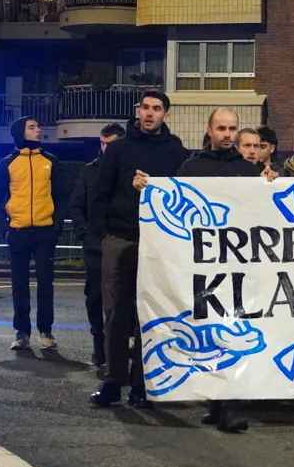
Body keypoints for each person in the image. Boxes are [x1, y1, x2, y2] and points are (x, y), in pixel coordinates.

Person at [175, 108, 277, 433]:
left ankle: (232, 406)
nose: (227, 134)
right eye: (221, 128)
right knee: (209, 333)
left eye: (232, 128)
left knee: (234, 331)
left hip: (236, 267)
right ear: (210, 130)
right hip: (203, 266)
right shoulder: (191, 168)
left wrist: (269, 187)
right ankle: (217, 402)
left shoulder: (247, 170)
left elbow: (261, 212)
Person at [87, 91, 189, 409]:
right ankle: (113, 381)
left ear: (166, 115)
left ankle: (142, 385)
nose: (149, 113)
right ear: (138, 111)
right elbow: (98, 193)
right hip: (121, 239)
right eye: (145, 107)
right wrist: (102, 237)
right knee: (116, 314)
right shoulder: (119, 149)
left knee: (151, 315)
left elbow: (186, 193)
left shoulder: (176, 151)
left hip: (158, 244)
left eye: (156, 108)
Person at [0, 116, 69, 351]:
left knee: (45, 282)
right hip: (18, 231)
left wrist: (56, 225)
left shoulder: (50, 161)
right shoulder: (8, 163)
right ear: (20, 133)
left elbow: (61, 196)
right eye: (32, 127)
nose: (38, 130)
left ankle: (46, 331)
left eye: (37, 126)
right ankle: (22, 332)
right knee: (19, 284)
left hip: (45, 231)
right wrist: (5, 229)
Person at [69, 122, 125, 368]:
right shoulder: (89, 171)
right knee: (94, 297)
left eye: (109, 144)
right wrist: (84, 232)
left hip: (122, 244)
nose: (105, 148)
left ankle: (120, 345)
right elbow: (76, 205)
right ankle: (98, 343)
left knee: (122, 298)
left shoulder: (128, 171)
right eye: (102, 144)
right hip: (95, 246)